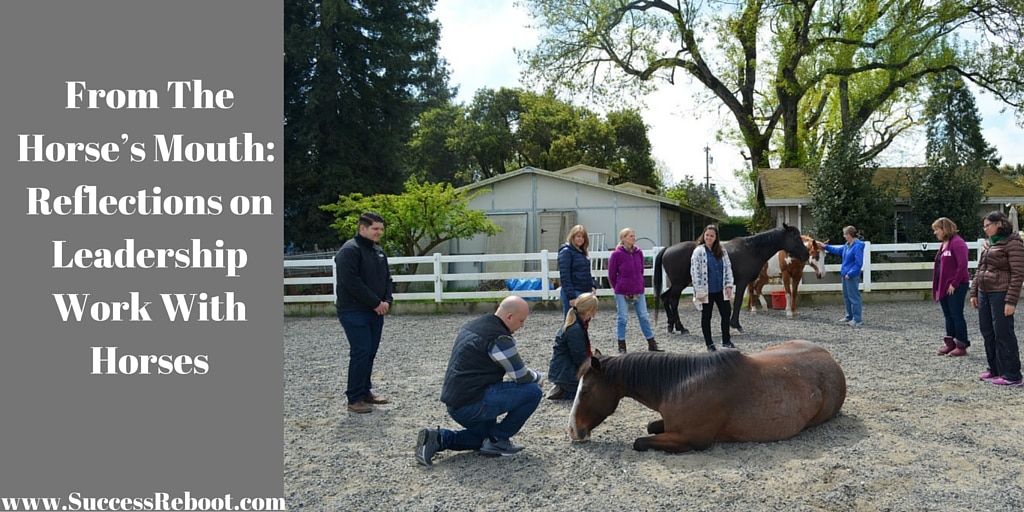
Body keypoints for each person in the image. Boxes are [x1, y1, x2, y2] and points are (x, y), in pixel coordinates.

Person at [414, 296, 545, 466]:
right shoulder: (499, 338)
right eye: (521, 320)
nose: (522, 326)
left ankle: (438, 438)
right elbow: (520, 375)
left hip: (456, 403)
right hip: (473, 403)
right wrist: (539, 377)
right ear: (509, 317)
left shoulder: (474, 325)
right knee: (533, 392)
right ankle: (498, 438)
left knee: (481, 439)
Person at [334, 212, 393, 414]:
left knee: (370, 352)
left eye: (381, 229)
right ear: (362, 228)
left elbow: (387, 278)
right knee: (361, 352)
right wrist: (375, 302)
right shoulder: (349, 251)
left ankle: (365, 391)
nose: (379, 232)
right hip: (353, 311)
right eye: (375, 229)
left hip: (375, 311)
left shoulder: (378, 251)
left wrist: (387, 300)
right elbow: (351, 282)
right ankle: (354, 398)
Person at [970, 211, 1024, 386]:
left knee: (1003, 332)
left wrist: (1011, 301)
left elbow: (1017, 274)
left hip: (1001, 292)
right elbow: (979, 269)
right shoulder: (988, 244)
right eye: (984, 226)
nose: (985, 229)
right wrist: (974, 292)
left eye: (988, 225)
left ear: (999, 223)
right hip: (984, 292)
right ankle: (994, 368)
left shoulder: (1013, 243)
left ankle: (1012, 374)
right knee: (988, 331)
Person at [607, 228, 660, 353]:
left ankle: (651, 343)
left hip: (638, 290)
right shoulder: (616, 254)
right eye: (630, 236)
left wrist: (639, 284)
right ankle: (621, 344)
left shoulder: (638, 252)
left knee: (644, 316)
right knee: (623, 317)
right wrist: (618, 287)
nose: (633, 238)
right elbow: (612, 274)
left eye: (633, 236)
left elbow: (640, 270)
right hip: (622, 291)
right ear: (623, 238)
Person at [690, 225, 735, 352]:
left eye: (712, 236)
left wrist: (729, 285)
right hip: (706, 290)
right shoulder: (698, 252)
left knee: (726, 313)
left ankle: (726, 340)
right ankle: (709, 344)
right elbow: (695, 272)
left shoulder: (722, 251)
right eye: (707, 235)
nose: (709, 238)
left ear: (716, 238)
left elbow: (728, 268)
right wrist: (699, 290)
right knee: (706, 316)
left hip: (720, 289)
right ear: (703, 236)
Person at [546, 293, 598, 400]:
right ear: (590, 311)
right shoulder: (575, 329)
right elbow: (579, 358)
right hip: (566, 373)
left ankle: (564, 388)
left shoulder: (574, 323)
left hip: (562, 370)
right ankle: (564, 391)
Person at [931, 217, 971, 357]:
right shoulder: (943, 244)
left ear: (945, 229)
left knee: (956, 315)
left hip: (957, 286)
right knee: (948, 316)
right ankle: (950, 343)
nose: (935, 232)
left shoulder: (957, 243)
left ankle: (961, 344)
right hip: (944, 285)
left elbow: (962, 265)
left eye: (937, 229)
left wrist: (954, 283)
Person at [818, 226, 865, 328]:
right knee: (847, 296)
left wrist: (850, 273)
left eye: (845, 234)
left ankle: (857, 319)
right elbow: (838, 250)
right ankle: (849, 316)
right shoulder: (848, 245)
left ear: (849, 235)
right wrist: (825, 246)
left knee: (854, 297)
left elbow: (858, 263)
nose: (844, 236)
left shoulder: (857, 246)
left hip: (851, 275)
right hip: (845, 274)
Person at [558, 224, 597, 318]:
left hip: (584, 291)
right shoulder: (566, 251)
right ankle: (561, 334)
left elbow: (586, 272)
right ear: (573, 237)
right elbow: (565, 275)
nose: (581, 239)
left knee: (583, 320)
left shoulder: (582, 252)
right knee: (571, 321)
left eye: (583, 237)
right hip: (574, 291)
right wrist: (571, 296)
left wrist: (592, 284)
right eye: (578, 236)